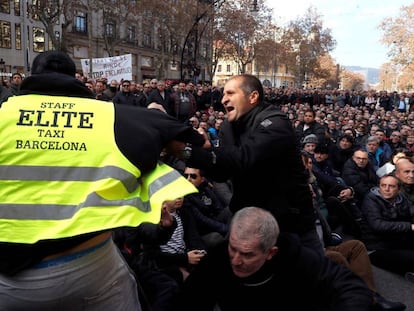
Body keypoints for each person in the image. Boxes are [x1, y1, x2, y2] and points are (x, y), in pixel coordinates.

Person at [0, 51, 205, 309]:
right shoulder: (110, 115)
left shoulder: (3, 112)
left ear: (31, 78)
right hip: (88, 264)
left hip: (10, 278)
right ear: (74, 78)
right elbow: (179, 132)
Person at [182, 74, 322, 252]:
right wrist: (192, 151)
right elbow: (222, 172)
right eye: (223, 94)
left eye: (230, 93)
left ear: (253, 97)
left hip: (290, 221)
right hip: (250, 218)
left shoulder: (276, 122)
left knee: (308, 274)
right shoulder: (227, 126)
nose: (224, 99)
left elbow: (246, 158)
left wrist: (198, 151)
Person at [177, 206, 373, 311]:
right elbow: (189, 302)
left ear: (271, 252)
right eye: (233, 249)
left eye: (247, 254)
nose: (236, 260)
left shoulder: (298, 258)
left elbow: (349, 287)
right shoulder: (218, 259)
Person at [360, 174, 414, 281]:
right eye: (383, 185)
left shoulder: (400, 197)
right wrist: (410, 226)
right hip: (377, 246)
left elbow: (411, 212)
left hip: (396, 238)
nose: (386, 189)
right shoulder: (371, 200)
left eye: (391, 186)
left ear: (399, 189)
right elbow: (378, 225)